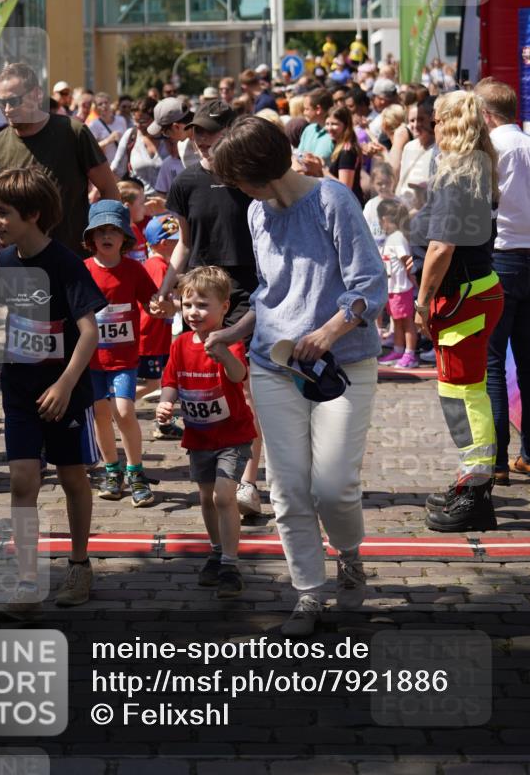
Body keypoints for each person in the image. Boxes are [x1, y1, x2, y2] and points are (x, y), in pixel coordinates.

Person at [209, 116, 386, 634]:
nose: (236, 189)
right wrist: (233, 331)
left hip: (341, 364)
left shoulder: (333, 200)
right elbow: (271, 294)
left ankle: (348, 555)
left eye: (236, 179)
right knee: (286, 489)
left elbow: (369, 284)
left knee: (333, 486)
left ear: (257, 169)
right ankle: (308, 592)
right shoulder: (256, 212)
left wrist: (329, 331)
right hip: (273, 364)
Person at [0, 168, 107, 621]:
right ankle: (26, 584)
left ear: (32, 214)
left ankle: (79, 565)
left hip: (65, 392)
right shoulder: (4, 261)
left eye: (3, 212)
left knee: (73, 478)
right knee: (22, 481)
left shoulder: (65, 263)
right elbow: (14, 319)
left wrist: (65, 383)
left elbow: (89, 332)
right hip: (19, 391)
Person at [157, 99, 263, 517]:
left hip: (245, 292)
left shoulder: (249, 179)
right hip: (200, 293)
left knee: (244, 386)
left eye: (211, 131)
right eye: (197, 131)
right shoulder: (185, 182)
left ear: (231, 132)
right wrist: (166, 287)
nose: (203, 139)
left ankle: (247, 482)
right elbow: (184, 243)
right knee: (207, 383)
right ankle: (220, 470)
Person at [0, 62, 119, 278]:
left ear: (36, 95)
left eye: (14, 101)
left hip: (74, 262)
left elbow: (109, 189)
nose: (7, 109)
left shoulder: (73, 133)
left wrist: (105, 242)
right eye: (0, 102)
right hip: (21, 271)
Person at [413, 92, 504, 532]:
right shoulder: (477, 165)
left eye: (435, 120)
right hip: (476, 290)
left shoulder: (457, 173)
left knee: (463, 395)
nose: (431, 127)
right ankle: (472, 479)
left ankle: (476, 489)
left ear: (448, 124)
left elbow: (441, 247)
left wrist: (422, 300)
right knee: (468, 392)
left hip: (463, 295)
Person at [476, 78, 530, 482]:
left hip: (503, 258)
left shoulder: (491, 149)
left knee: (493, 364)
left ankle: (496, 463)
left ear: (485, 115)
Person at [157, 266, 256, 598]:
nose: (193, 313)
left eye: (202, 305)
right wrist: (166, 402)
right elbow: (171, 380)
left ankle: (230, 564)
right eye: (187, 306)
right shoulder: (181, 344)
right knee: (206, 497)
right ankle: (216, 552)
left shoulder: (228, 340)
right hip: (199, 437)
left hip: (232, 436)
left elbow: (239, 374)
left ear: (224, 307)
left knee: (223, 496)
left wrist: (224, 353)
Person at [83, 200, 162, 506]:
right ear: (91, 237)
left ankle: (136, 472)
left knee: (124, 411)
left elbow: (151, 303)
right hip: (91, 359)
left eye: (113, 230)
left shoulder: (134, 269)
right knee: (100, 414)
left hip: (124, 359)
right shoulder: (83, 270)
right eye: (100, 230)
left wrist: (162, 306)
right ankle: (111, 471)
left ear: (125, 237)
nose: (107, 236)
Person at [136, 215, 181, 426]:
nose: (180, 244)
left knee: (159, 380)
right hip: (150, 337)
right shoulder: (158, 266)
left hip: (156, 336)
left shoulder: (158, 264)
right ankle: (113, 405)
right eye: (176, 240)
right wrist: (185, 304)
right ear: (164, 243)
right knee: (153, 383)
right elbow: (158, 301)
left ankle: (162, 423)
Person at [377, 200, 419, 369]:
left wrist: (413, 280)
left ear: (385, 219)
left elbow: (407, 261)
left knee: (407, 322)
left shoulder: (398, 238)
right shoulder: (392, 238)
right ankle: (398, 350)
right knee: (397, 321)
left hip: (401, 289)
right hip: (393, 289)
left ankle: (410, 354)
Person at [110, 97, 169, 195]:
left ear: (156, 119)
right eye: (135, 121)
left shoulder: (169, 137)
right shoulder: (131, 136)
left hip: (168, 201)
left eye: (142, 121)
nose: (138, 125)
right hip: (140, 202)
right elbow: (115, 171)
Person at [148, 97, 194, 195]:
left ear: (176, 127)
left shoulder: (215, 140)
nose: (168, 138)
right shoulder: (182, 146)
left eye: (165, 133)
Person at [396, 101, 436, 204]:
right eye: (412, 121)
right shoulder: (409, 147)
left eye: (421, 119)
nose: (416, 125)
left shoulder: (438, 149)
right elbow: (402, 180)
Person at [324, 106, 364, 205]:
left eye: (334, 124)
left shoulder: (347, 151)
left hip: (349, 206)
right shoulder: (337, 145)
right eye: (327, 124)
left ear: (346, 125)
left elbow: (345, 188)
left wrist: (321, 171)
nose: (329, 128)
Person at [86, 92, 127, 164]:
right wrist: (108, 140)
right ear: (96, 108)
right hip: (107, 165)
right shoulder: (93, 125)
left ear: (110, 104)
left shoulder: (121, 120)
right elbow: (91, 149)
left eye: (106, 102)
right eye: (100, 104)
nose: (104, 106)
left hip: (123, 163)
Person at [297, 87, 335, 164]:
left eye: (307, 109)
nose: (304, 113)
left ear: (318, 109)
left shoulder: (335, 133)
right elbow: (298, 156)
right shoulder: (308, 130)